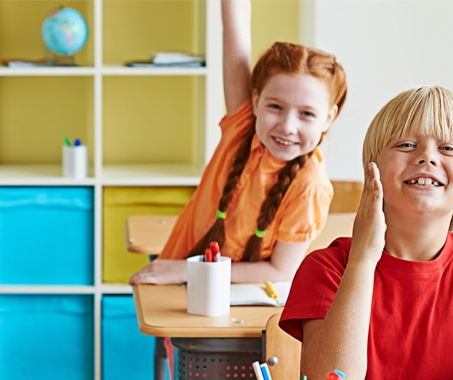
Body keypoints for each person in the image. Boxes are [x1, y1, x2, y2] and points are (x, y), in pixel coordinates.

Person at [280, 86, 453, 380]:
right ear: (372, 171)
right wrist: (362, 258)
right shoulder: (327, 268)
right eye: (405, 145)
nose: (426, 157)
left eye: (447, 148)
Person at [129, 0, 347, 285]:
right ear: (256, 101)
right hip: (174, 282)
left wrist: (186, 270)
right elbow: (234, 27)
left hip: (229, 307)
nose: (287, 126)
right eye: (275, 107)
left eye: (306, 114)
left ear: (329, 118)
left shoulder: (310, 187)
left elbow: (282, 271)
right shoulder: (243, 127)